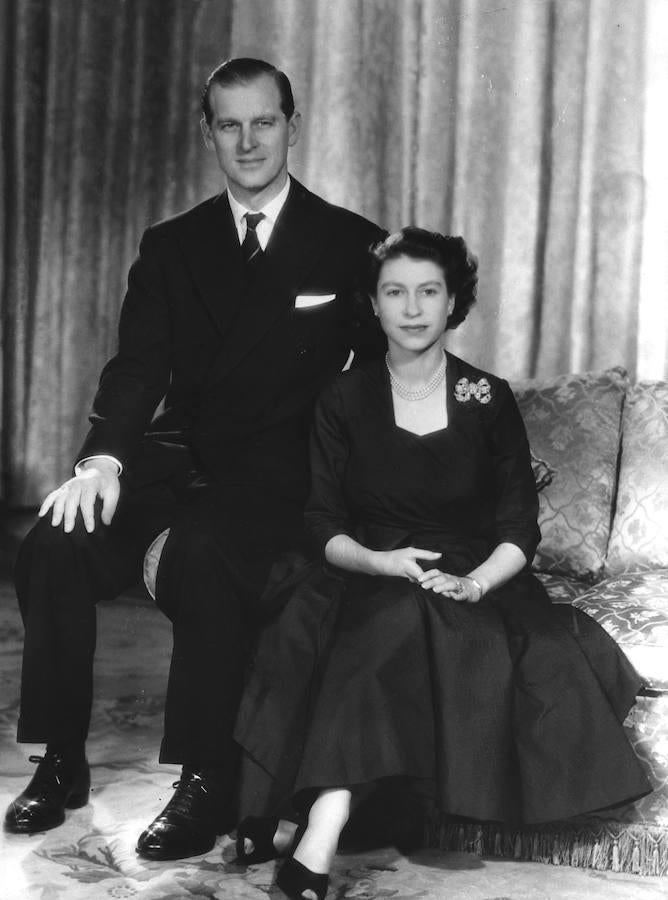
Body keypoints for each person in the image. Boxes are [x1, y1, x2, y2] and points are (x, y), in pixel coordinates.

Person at [3, 57, 385, 861]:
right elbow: (137, 366)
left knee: (210, 555)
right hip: (174, 460)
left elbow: (380, 387)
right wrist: (104, 460)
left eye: (264, 122)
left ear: (293, 124)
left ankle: (205, 781)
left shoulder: (352, 244)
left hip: (277, 475)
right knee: (51, 541)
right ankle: (62, 760)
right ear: (206, 130)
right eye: (229, 124)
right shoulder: (172, 244)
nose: (248, 141)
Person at [231, 227, 651, 900]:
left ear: (454, 302)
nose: (413, 307)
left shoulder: (486, 397)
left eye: (429, 291)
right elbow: (321, 524)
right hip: (364, 566)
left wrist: (475, 581)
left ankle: (316, 820)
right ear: (372, 303)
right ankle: (325, 815)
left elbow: (519, 529)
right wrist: (377, 560)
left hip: (470, 576)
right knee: (369, 620)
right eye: (395, 292)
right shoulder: (343, 398)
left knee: (398, 626)